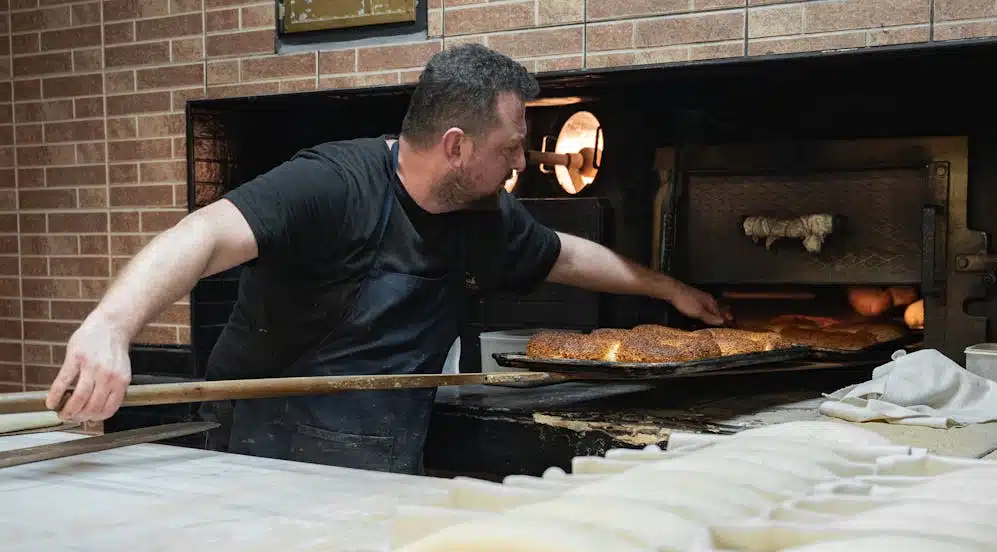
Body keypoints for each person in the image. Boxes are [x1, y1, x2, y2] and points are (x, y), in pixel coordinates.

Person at [44, 43, 728, 474]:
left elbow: (564, 257)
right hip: (266, 458)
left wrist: (669, 289)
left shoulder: (483, 213)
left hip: (384, 462)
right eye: (509, 148)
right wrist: (111, 326)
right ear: (456, 146)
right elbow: (201, 235)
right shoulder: (333, 184)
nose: (522, 162)